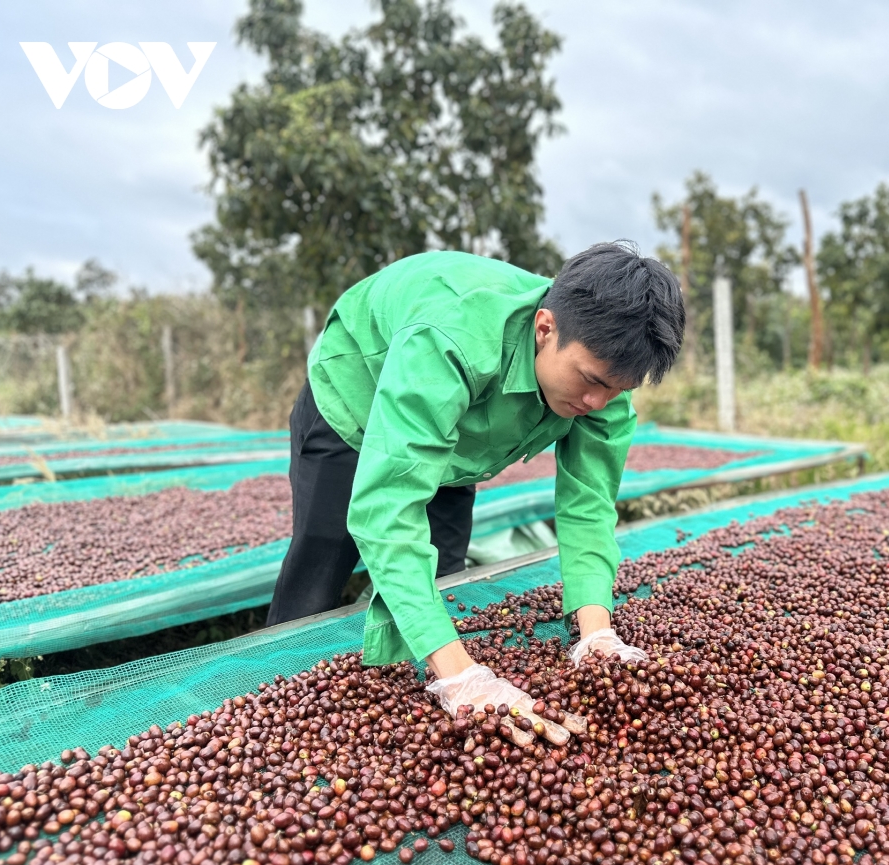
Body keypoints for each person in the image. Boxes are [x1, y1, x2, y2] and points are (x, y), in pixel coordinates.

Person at [267, 241, 685, 745]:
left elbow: (589, 504)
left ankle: (428, 665)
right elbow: (388, 509)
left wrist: (596, 632)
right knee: (325, 552)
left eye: (617, 389)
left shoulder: (606, 389)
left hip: (459, 440)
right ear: (545, 328)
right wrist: (462, 677)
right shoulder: (450, 337)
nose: (599, 402)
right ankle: (276, 691)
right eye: (591, 380)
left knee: (444, 571)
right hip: (355, 400)